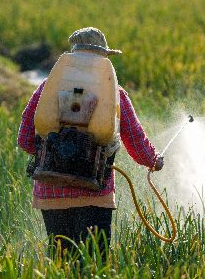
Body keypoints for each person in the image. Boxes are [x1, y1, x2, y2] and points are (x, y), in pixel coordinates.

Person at [17, 27, 164, 256]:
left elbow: (25, 140)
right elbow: (135, 140)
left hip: (51, 194)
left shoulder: (47, 89)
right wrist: (154, 160)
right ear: (103, 58)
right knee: (95, 263)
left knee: (62, 264)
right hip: (95, 193)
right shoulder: (115, 94)